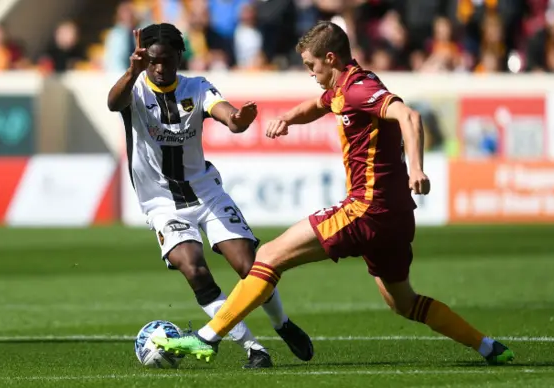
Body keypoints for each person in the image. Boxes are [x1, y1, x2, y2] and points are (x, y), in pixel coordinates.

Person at [153, 21, 515, 366]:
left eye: (312, 66)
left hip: (367, 207)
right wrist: (289, 119)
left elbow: (410, 117)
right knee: (404, 302)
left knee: (269, 255)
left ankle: (207, 337)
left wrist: (417, 167)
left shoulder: (360, 89)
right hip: (396, 217)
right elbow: (320, 103)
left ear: (331, 59)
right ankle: (488, 346)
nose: (311, 74)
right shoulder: (345, 88)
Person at [106, 23, 313, 369]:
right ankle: (253, 349)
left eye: (167, 60)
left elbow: (228, 115)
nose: (159, 68)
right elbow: (113, 104)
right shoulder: (135, 88)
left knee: (249, 265)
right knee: (195, 270)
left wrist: (239, 120)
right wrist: (132, 70)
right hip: (161, 203)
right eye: (153, 61)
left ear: (178, 57)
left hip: (205, 192)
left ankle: (283, 324)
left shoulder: (196, 88)